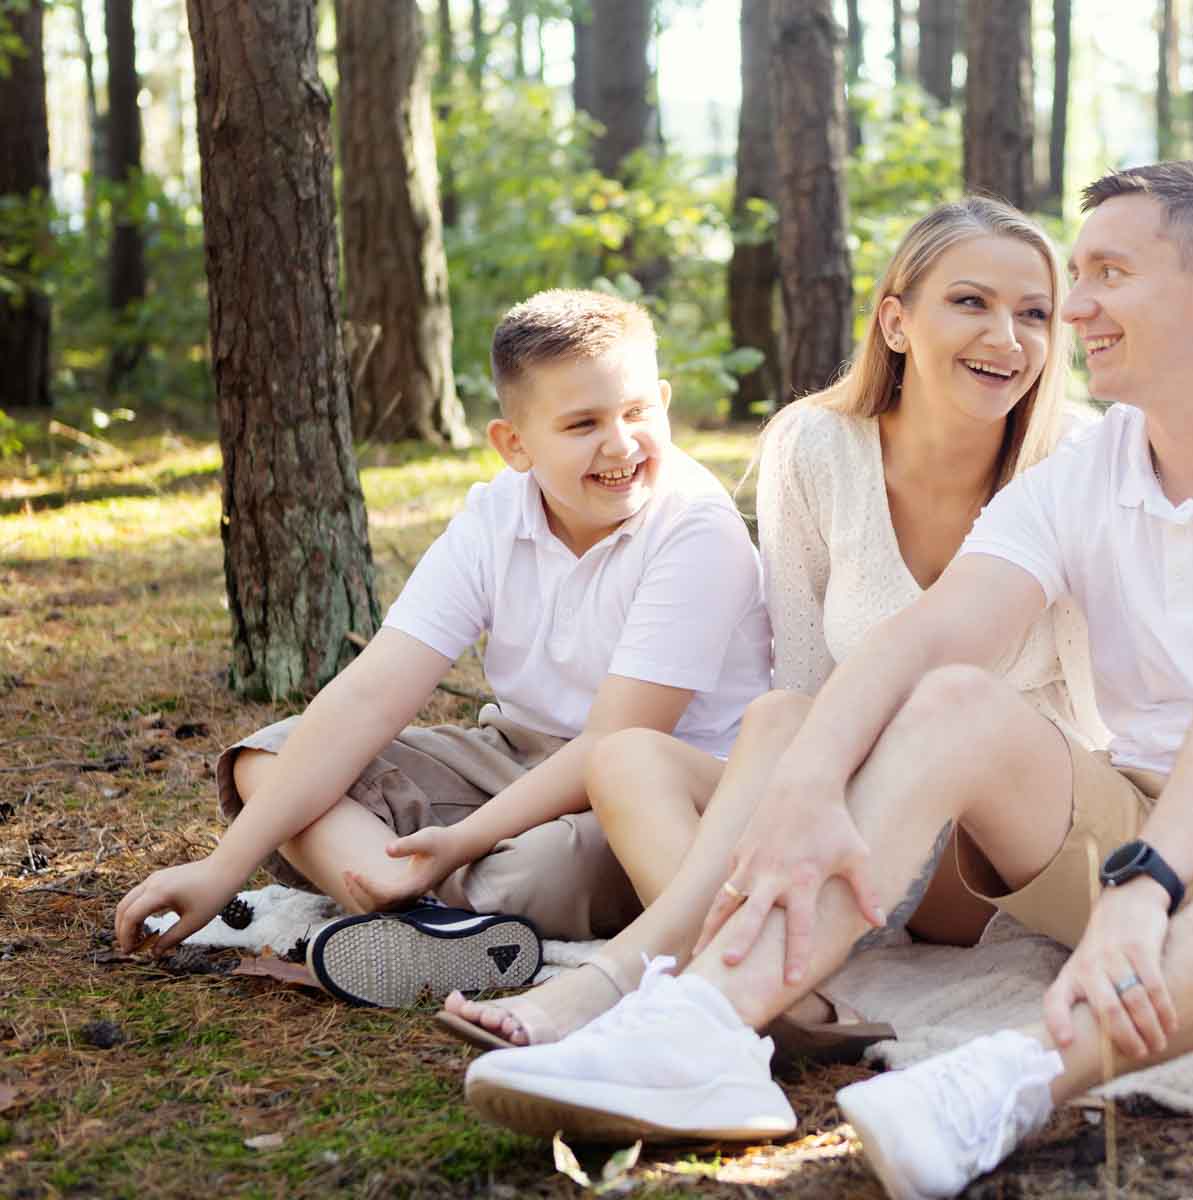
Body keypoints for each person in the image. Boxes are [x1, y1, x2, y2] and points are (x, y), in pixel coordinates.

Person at [458, 159, 1193, 1191]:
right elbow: (923, 639)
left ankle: (1014, 1079)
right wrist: (807, 784)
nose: (1077, 307)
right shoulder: (1083, 474)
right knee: (953, 701)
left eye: (1109, 275)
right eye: (1078, 276)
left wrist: (1146, 882)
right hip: (1128, 833)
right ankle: (705, 1026)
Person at [442, 196, 1106, 1051]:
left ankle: (632, 974)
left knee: (891, 722)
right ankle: (777, 1002)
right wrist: (806, 805)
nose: (1006, 338)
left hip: (993, 847)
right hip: (853, 812)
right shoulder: (816, 446)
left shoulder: (1077, 455)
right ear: (896, 323)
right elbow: (799, 681)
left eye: (1036, 314)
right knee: (640, 752)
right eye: (971, 302)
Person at [113, 289, 772, 1009]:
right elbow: (373, 693)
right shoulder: (495, 516)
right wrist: (224, 868)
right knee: (267, 761)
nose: (621, 444)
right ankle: (435, 925)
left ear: (664, 402)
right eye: (583, 424)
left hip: (652, 792)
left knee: (527, 876)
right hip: (517, 754)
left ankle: (426, 908)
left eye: (638, 412)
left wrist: (460, 842)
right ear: (515, 444)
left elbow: (613, 743)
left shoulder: (695, 528)